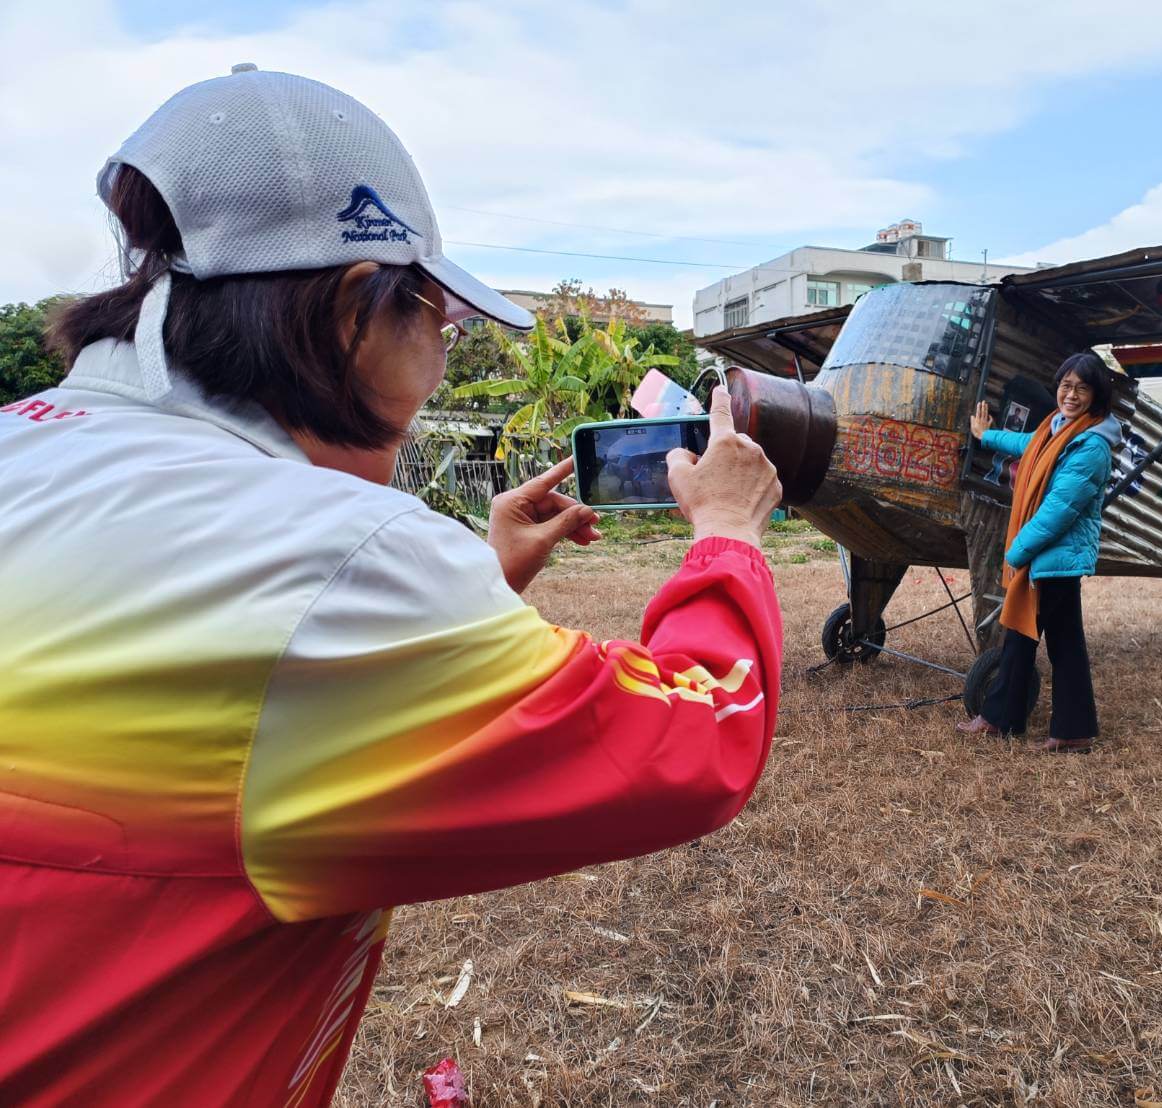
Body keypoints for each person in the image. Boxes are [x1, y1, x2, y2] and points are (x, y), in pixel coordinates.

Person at [0, 67, 781, 1105]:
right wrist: (725, 532)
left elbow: (225, 674)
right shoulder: (334, 556)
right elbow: (697, 738)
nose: (443, 364)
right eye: (441, 321)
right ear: (352, 312)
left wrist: (477, 579)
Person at [957, 352, 1122, 752]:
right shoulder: (1059, 428)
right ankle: (1017, 722)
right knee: (1027, 638)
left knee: (1049, 643)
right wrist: (986, 436)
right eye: (1066, 385)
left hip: (1056, 559)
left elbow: (1058, 512)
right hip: (1049, 559)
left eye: (1082, 388)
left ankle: (1049, 728)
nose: (1072, 394)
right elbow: (1029, 445)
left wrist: (1016, 552)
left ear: (1097, 396)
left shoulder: (1091, 446)